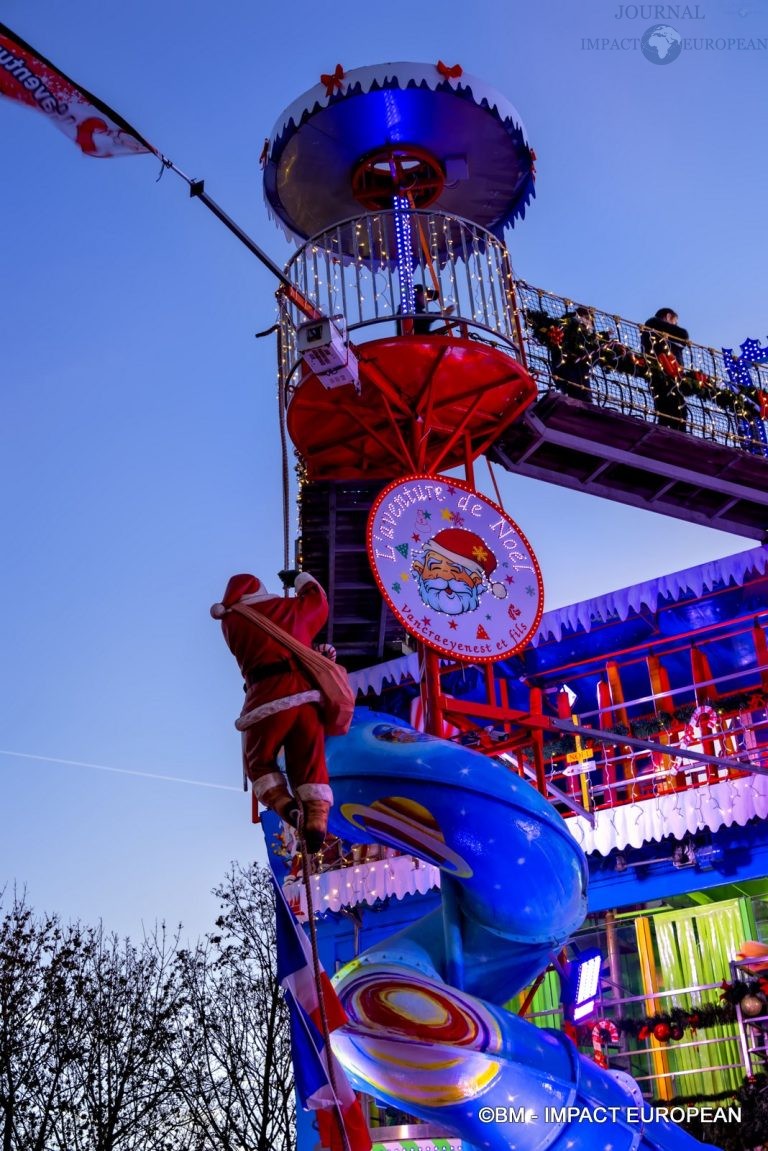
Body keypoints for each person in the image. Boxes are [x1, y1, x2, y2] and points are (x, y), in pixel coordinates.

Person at [210, 570, 334, 853]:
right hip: (303, 698)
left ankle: (283, 803)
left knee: (259, 762)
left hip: (262, 702)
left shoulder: (230, 623)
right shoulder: (289, 610)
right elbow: (318, 602)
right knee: (309, 759)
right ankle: (316, 818)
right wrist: (300, 578)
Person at [640, 308, 690, 430]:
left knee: (670, 408)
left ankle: (669, 428)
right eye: (675, 321)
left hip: (669, 373)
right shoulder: (653, 322)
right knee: (675, 408)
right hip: (665, 372)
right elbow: (683, 335)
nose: (676, 324)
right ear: (668, 316)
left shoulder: (655, 327)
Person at [550, 306, 601, 400]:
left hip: (581, 369)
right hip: (567, 366)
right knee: (573, 387)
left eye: (590, 320)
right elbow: (560, 344)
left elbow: (596, 355)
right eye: (586, 318)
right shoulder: (570, 325)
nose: (589, 322)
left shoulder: (589, 338)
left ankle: (586, 401)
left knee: (584, 389)